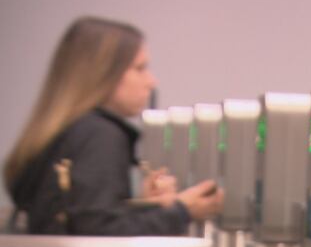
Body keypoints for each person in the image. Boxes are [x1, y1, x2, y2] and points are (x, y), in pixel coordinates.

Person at [3, 16, 223, 235]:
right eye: (140, 68)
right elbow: (100, 234)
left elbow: (84, 219)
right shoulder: (99, 135)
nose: (151, 81)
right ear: (104, 72)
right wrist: (182, 211)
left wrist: (146, 207)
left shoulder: (69, 131)